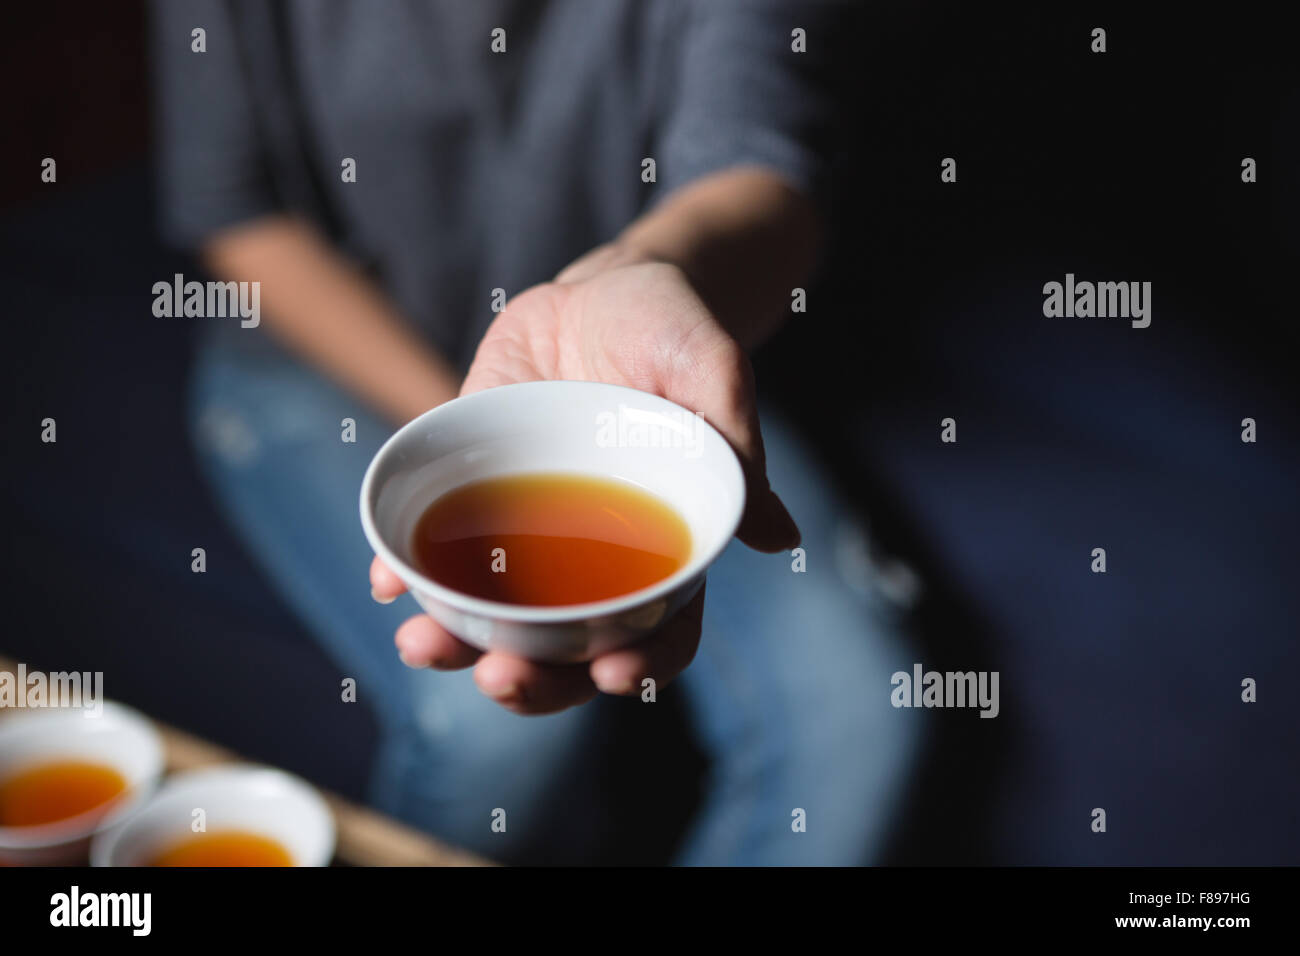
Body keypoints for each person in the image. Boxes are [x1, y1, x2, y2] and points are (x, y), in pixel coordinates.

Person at [154, 0, 920, 864]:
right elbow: (235, 215)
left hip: (617, 363)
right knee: (498, 721)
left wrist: (643, 276)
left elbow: (763, 167)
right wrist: (478, 438)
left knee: (859, 711)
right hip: (319, 358)